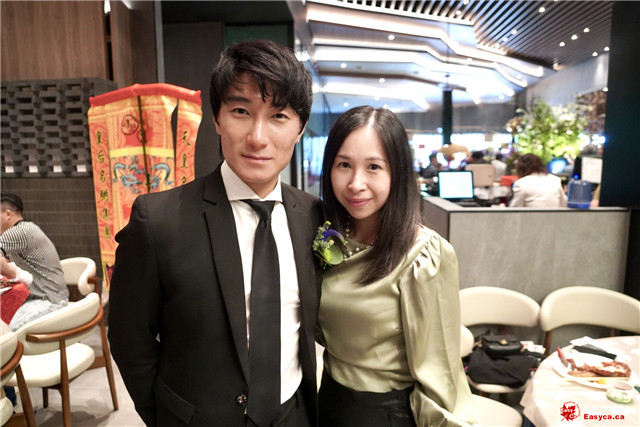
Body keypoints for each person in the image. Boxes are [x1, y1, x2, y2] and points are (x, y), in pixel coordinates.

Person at [107, 39, 323, 427]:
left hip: (295, 415)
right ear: (217, 118)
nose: (258, 137)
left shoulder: (312, 217)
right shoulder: (158, 221)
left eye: (278, 116)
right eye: (241, 111)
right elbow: (129, 337)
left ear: (300, 128)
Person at [316, 106, 479, 426]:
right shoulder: (327, 236)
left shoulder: (423, 254)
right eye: (344, 165)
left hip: (384, 413)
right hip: (328, 400)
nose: (356, 183)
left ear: (398, 174)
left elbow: (440, 369)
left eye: (374, 167)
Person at [0, 193, 68, 331]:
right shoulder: (28, 228)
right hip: (53, 296)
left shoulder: (18, 231)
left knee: (8, 331)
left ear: (8, 214)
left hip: (50, 301)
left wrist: (13, 273)